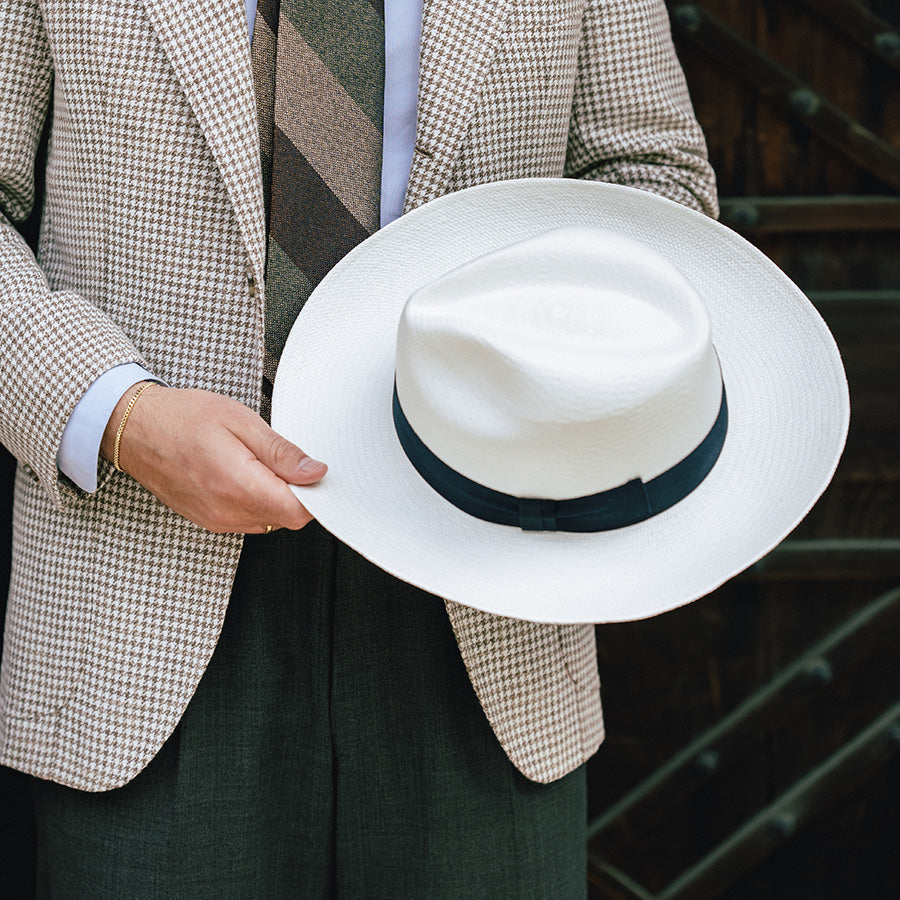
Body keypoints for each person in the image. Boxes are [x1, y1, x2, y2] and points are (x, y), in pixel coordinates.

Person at [0, 0, 717, 895]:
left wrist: (552, 364)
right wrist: (117, 416)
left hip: (491, 586)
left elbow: (652, 176)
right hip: (141, 600)